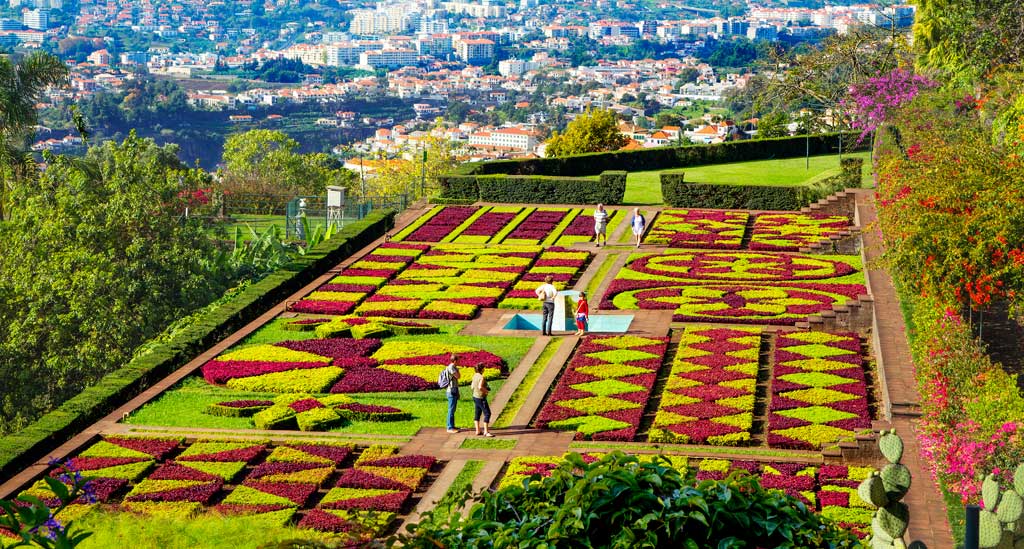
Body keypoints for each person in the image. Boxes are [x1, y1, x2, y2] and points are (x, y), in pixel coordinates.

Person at [470, 364, 494, 437]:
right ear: (481, 369)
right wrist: (486, 391)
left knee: (477, 413)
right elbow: (480, 387)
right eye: (484, 368)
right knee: (487, 413)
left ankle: (477, 430)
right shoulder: (481, 377)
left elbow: (472, 387)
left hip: (475, 397)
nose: (484, 369)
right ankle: (486, 432)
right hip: (481, 398)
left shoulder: (474, 375)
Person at [441, 354, 461, 434]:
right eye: (458, 360)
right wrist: (458, 371)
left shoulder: (453, 367)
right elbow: (458, 376)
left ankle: (452, 426)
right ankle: (449, 427)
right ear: (455, 361)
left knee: (453, 409)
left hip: (454, 389)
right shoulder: (451, 367)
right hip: (451, 390)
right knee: (451, 409)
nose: (459, 361)